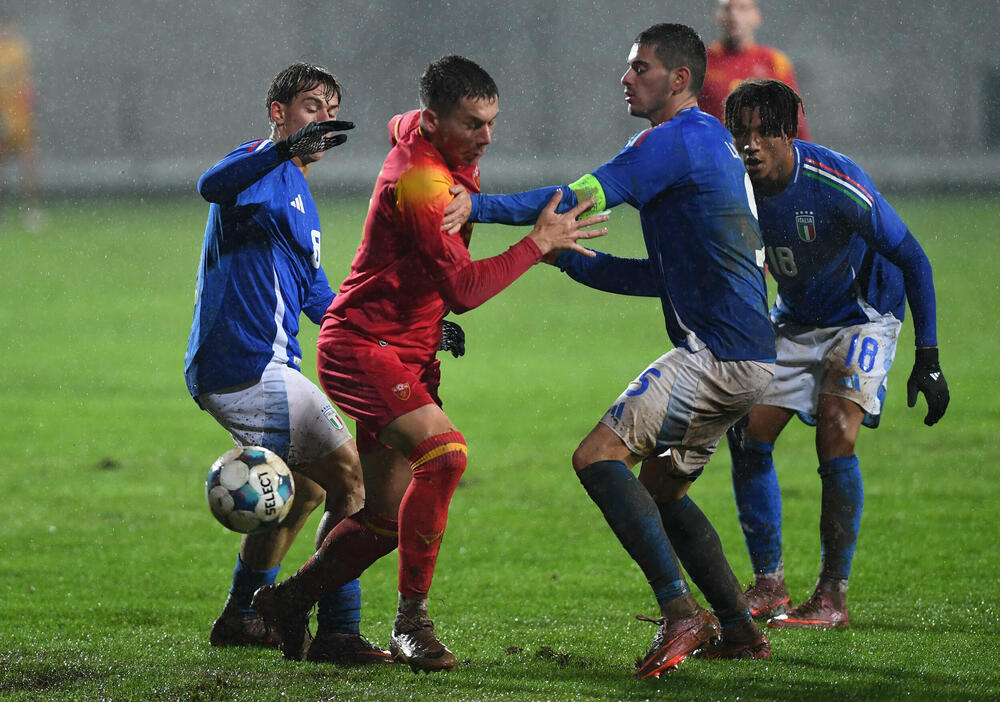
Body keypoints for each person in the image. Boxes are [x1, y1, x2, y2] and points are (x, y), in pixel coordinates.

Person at [250, 55, 608, 672]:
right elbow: (465, 290)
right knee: (445, 457)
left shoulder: (427, 135)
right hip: (364, 348)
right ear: (436, 120)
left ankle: (287, 601)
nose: (486, 137)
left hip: (406, 349)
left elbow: (398, 123)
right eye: (473, 124)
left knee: (384, 521)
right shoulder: (420, 183)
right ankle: (412, 622)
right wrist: (537, 243)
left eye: (491, 122)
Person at [456, 23, 777, 677]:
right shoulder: (711, 142)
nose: (626, 79)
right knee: (660, 488)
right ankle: (739, 629)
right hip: (749, 357)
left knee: (597, 457)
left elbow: (573, 197)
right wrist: (560, 258)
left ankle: (680, 614)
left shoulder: (672, 143)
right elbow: (655, 277)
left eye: (640, 68)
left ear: (679, 79)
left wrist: (476, 206)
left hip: (715, 355)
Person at [184, 62, 392, 665]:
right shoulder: (258, 162)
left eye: (330, 111)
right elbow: (211, 185)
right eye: (310, 107)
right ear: (278, 112)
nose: (322, 120)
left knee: (304, 490)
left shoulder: (299, 193)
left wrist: (401, 333)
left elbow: (315, 297)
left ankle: (244, 614)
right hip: (246, 364)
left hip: (266, 363)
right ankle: (337, 632)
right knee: (353, 481)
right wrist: (280, 149)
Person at [722, 78, 949, 629]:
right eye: (741, 132)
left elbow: (914, 258)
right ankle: (770, 585)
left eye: (763, 132)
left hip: (863, 318)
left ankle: (831, 596)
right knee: (748, 431)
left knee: (835, 426)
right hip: (795, 318)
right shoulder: (731, 184)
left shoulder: (832, 180)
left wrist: (929, 356)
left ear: (788, 131)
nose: (750, 144)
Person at [699, 0, 809, 139]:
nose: (734, 15)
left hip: (763, 156)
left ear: (756, 17)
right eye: (728, 9)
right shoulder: (701, 62)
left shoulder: (775, 62)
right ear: (718, 16)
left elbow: (796, 122)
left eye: (742, 8)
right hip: (713, 156)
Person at [0, 13, 42, 228]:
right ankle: (3, 211)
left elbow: (27, 85)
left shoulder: (19, 52)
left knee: (28, 161)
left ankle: (30, 209)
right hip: (3, 116)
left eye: (10, 27)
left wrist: (29, 105)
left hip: (21, 117)